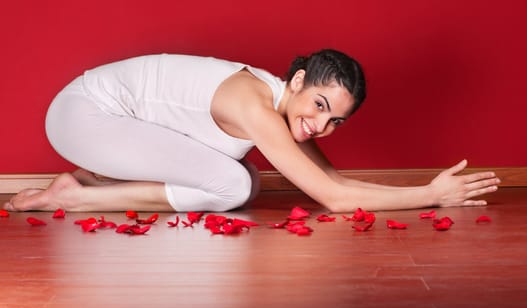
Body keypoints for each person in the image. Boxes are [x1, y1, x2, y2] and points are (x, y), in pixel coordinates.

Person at [3, 49, 500, 213]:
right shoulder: (256, 104)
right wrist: (431, 196)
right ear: (298, 81)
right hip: (83, 116)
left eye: (335, 121)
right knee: (235, 184)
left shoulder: (282, 108)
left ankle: (87, 183)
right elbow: (332, 198)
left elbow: (337, 183)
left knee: (248, 182)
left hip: (109, 125)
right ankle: (72, 196)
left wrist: (424, 188)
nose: (321, 125)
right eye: (320, 105)